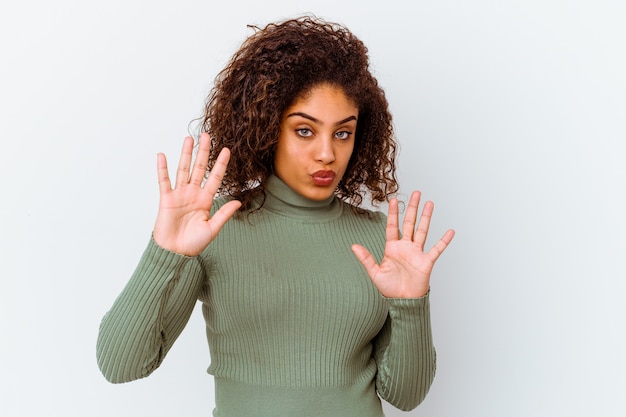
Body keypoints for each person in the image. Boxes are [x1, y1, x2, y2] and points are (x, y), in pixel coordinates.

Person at [96, 16, 455, 417]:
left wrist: (411, 304)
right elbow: (121, 365)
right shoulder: (216, 225)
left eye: (342, 133)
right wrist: (164, 254)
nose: (327, 154)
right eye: (305, 130)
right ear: (267, 127)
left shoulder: (380, 241)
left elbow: (406, 396)